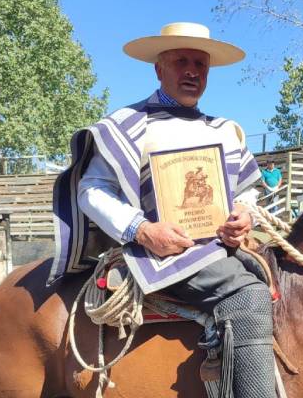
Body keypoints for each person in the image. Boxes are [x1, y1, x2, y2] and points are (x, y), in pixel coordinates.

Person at [48, 22, 274, 398]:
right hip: (163, 255)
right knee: (248, 296)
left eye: (199, 64)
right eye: (181, 61)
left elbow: (248, 191)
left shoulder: (224, 130)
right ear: (159, 69)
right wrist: (141, 230)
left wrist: (244, 214)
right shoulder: (127, 126)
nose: (191, 71)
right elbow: (91, 189)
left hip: (223, 248)